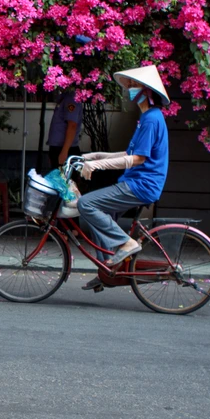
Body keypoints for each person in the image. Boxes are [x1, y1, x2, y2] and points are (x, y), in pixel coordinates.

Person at [74, 65, 170, 282]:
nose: (129, 90)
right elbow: (129, 153)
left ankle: (127, 243)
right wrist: (96, 156)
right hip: (137, 182)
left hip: (141, 184)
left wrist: (98, 166)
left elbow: (138, 159)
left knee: (86, 204)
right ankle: (108, 270)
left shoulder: (151, 119)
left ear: (147, 91)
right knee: (100, 216)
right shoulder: (146, 117)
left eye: (134, 86)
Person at [47, 87, 84, 186]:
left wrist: (64, 152)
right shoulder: (63, 97)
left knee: (66, 185)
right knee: (57, 183)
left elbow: (72, 125)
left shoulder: (71, 98)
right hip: (58, 147)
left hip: (66, 149)